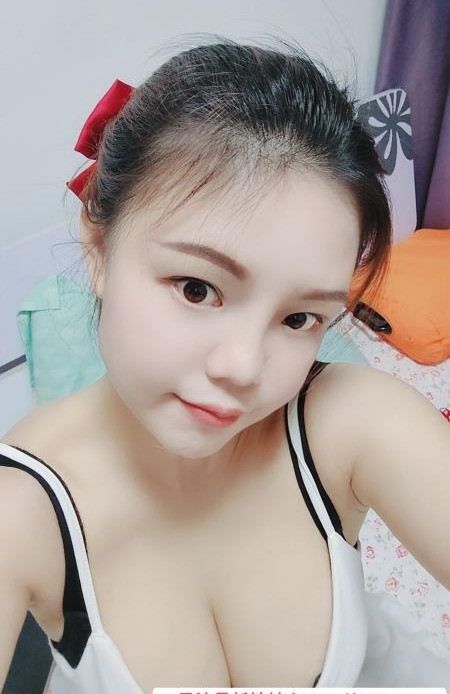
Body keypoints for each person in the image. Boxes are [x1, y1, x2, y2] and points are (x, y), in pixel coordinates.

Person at [0, 38, 449, 693]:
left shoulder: (351, 422)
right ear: (98, 246)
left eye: (300, 319)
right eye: (197, 288)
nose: (243, 368)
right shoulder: (21, 510)